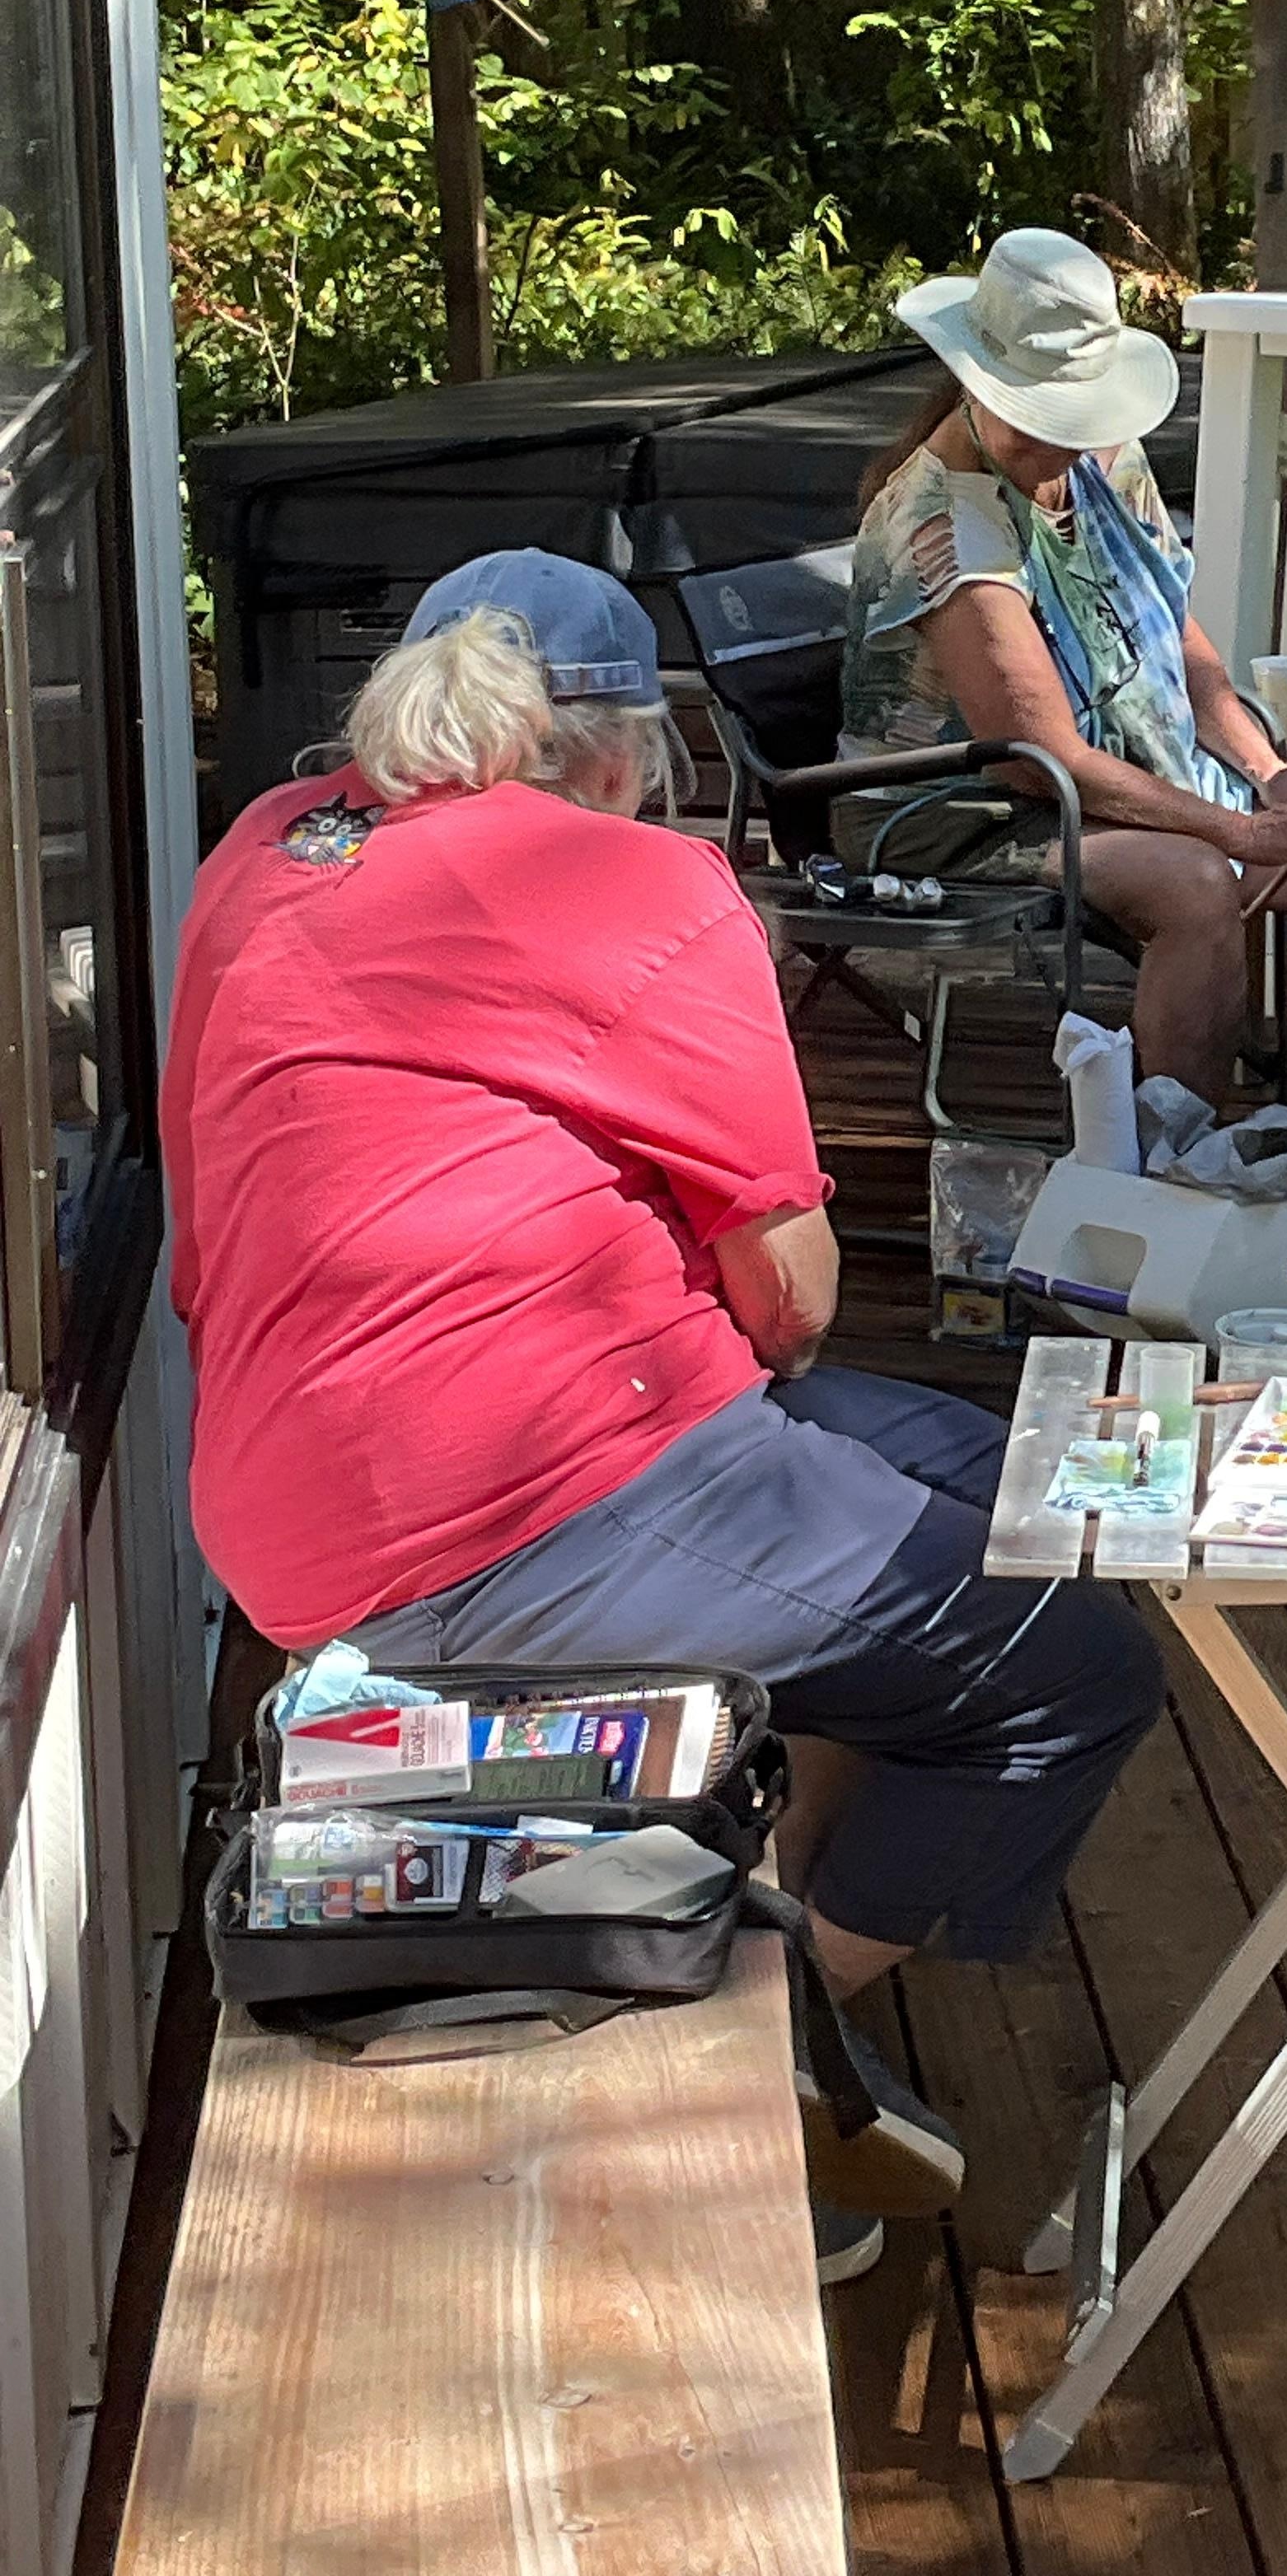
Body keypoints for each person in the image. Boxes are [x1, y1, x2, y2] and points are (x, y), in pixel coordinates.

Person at [161, 549, 1162, 2288]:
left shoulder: (270, 846)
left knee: (1006, 1476)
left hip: (295, 1480)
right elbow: (795, 1293)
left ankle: (737, 1874)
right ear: (623, 747)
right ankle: (761, 2034)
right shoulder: (641, 884)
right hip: (506, 1510)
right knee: (1070, 1661)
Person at [841, 227, 1287, 1099]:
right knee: (1196, 881)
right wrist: (1241, 831)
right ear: (981, 384)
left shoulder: (1106, 458)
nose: (1065, 443)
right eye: (1043, 419)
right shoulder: (945, 520)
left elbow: (1178, 638)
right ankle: (1183, 1162)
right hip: (963, 810)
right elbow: (1040, 758)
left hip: (1107, 782)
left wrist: (1270, 772)